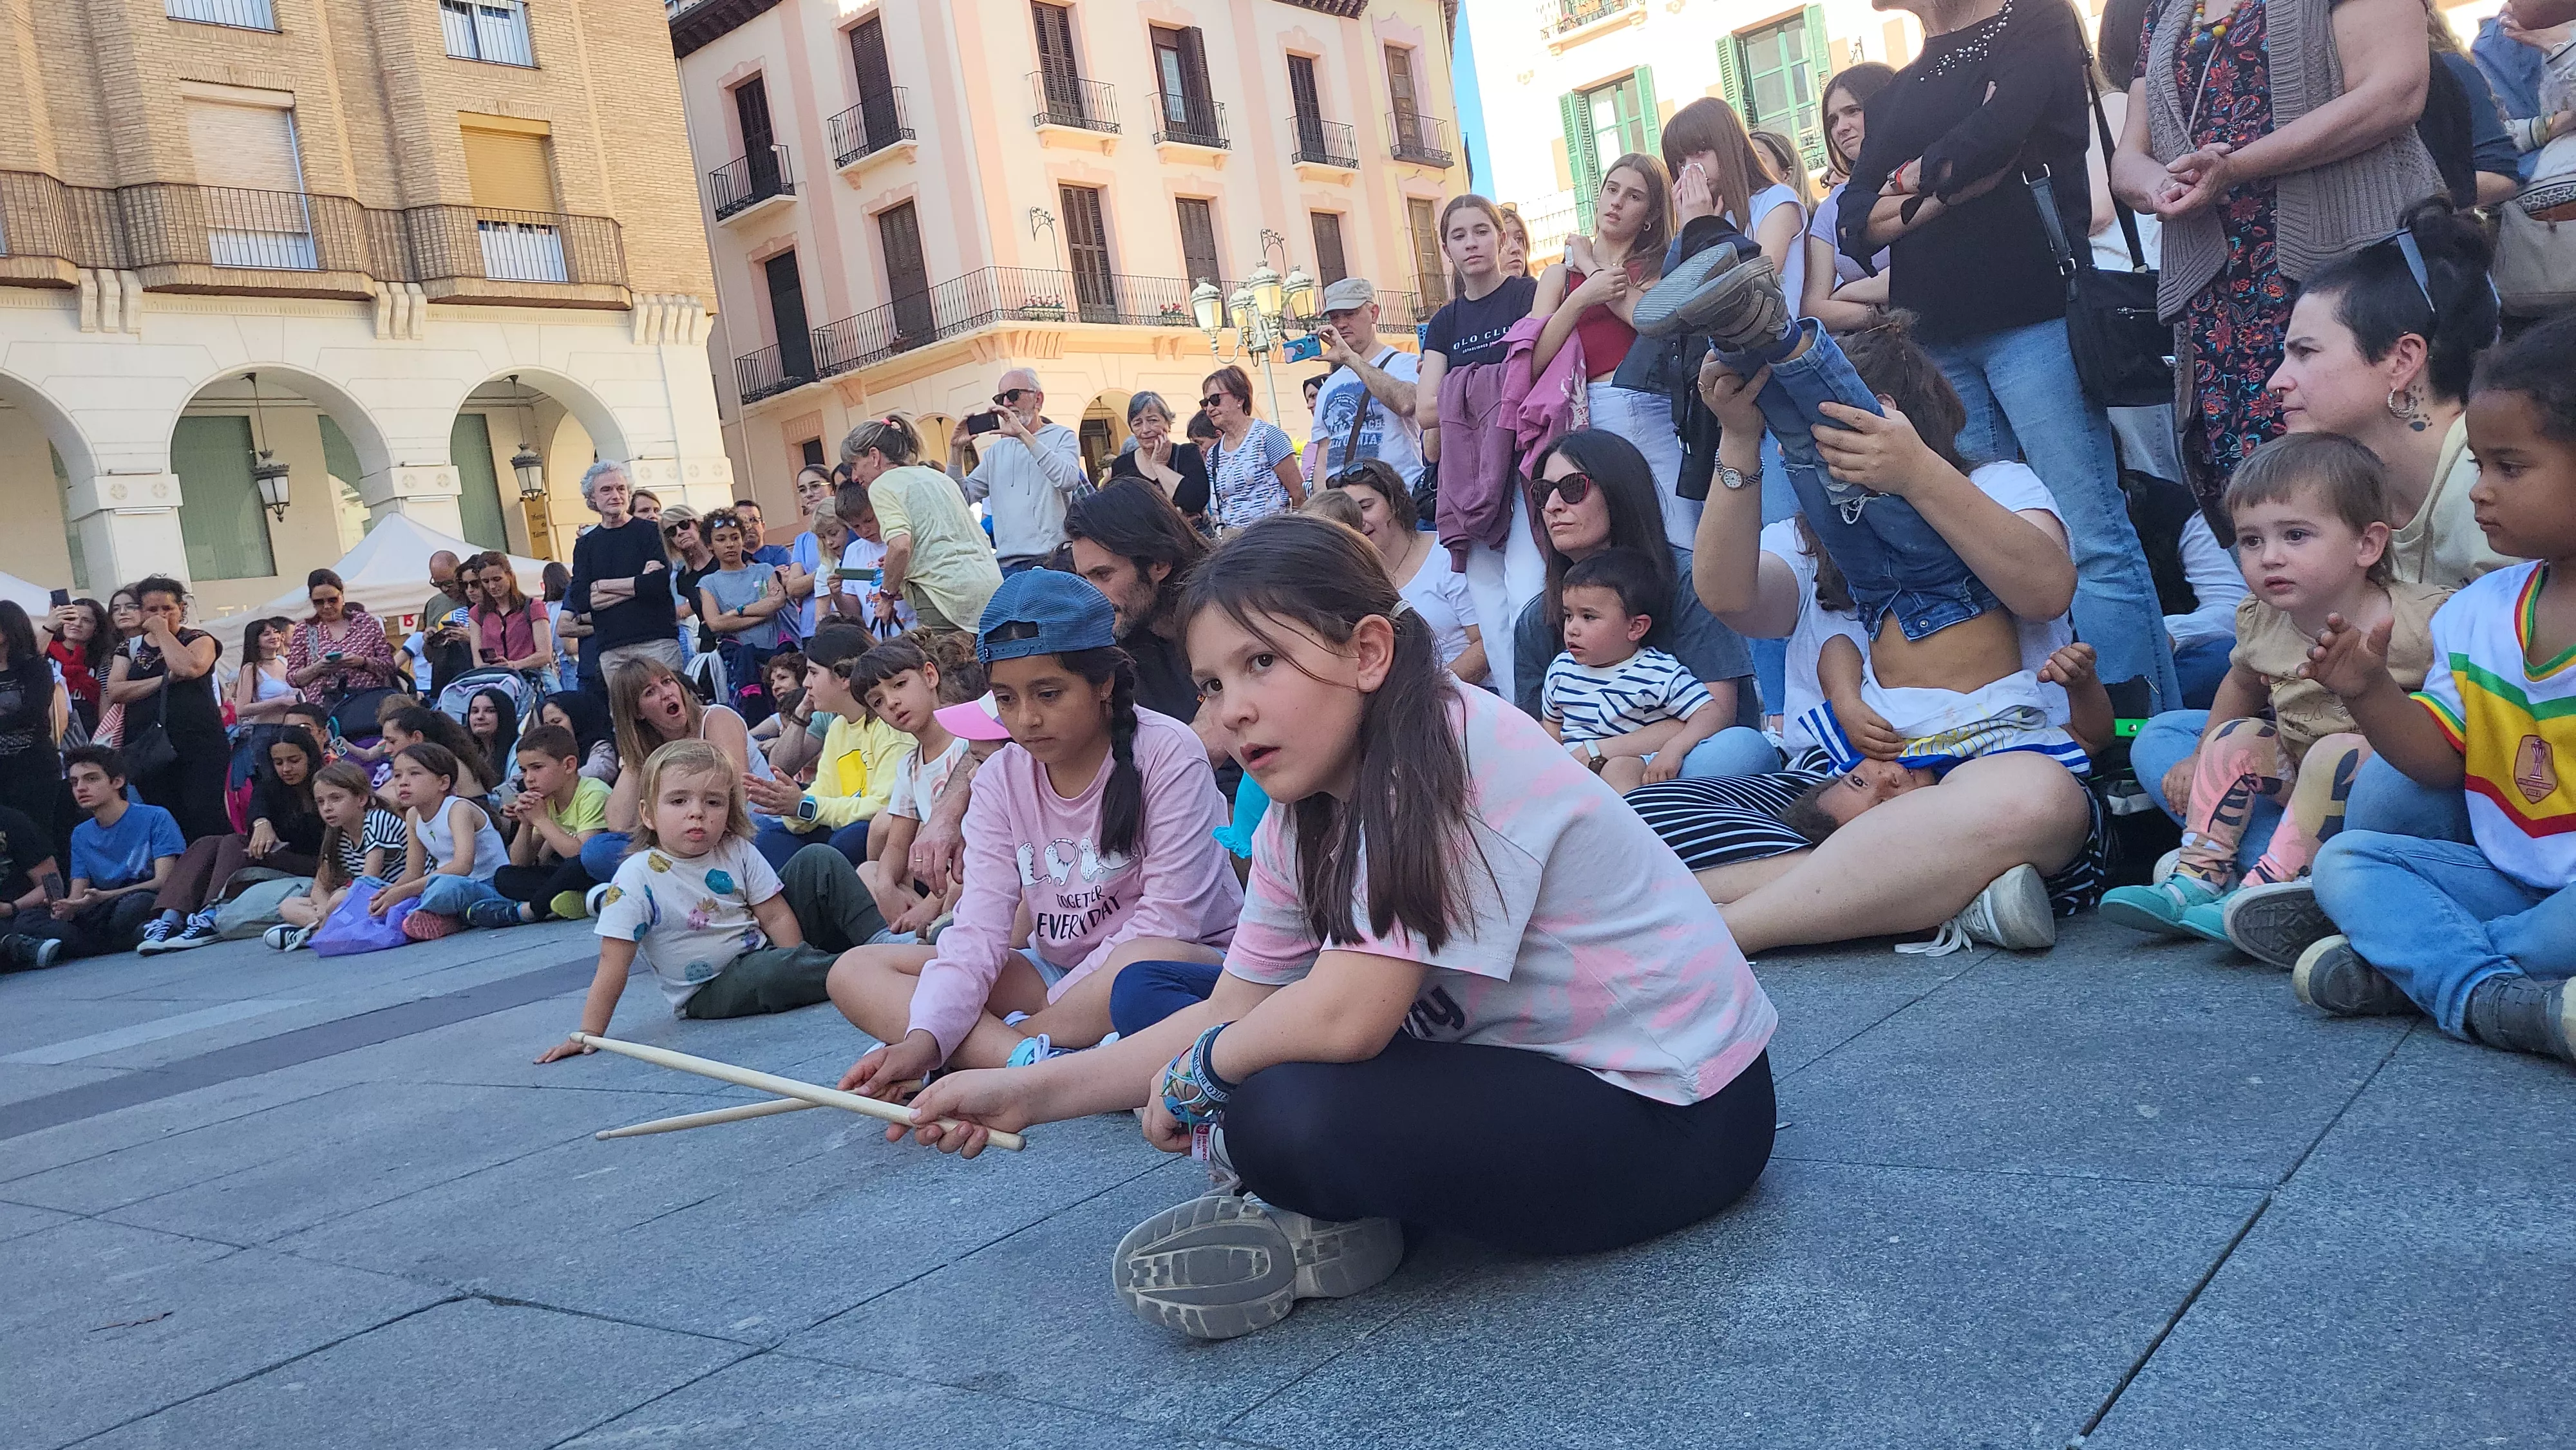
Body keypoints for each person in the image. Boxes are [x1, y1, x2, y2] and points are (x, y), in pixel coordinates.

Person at [880, 516, 1778, 1341]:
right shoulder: (1293, 807)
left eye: (1261, 664)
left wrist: (1203, 1072)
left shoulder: (1453, 753)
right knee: (1260, 1086)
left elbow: (1344, 1016)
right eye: (1211, 683)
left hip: (1685, 1113)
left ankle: (1346, 1218)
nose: (1231, 707)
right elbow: (1236, 1003)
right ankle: (1350, 1222)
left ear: (1370, 652)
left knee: (1278, 1111)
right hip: (1544, 1072)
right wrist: (1031, 1094)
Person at [1632, 317, 2105, 956]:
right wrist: (1738, 440)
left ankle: (1713, 930)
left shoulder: (1993, 486)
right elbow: (1729, 597)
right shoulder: (1800, 534)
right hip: (1834, 790)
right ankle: (1930, 891)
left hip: (1987, 774)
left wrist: (1915, 472)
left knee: (2033, 805)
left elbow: (2046, 590)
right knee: (1641, 816)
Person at [2130, 205, 2514, 850]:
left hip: (2462, 776)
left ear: (2401, 360)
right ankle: (2287, 877)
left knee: (2385, 782)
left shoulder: (2491, 485)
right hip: (2333, 762)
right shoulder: (2344, 485)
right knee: (2169, 739)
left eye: (2303, 352)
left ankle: (2291, 873)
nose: (2277, 380)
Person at [1836, 0, 2177, 715]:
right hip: (1933, 338)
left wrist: (1916, 178)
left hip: (2034, 315)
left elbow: (1990, 143)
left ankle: (2140, 743)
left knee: (2089, 537)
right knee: (1984, 545)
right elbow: (1851, 219)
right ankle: (2035, 726)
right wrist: (1938, 185)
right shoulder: (1898, 88)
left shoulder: (2039, 22)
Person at [2293, 315, 2576, 1064]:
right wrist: (2368, 689)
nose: (2479, 493)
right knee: (2346, 859)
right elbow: (2439, 762)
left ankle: (2415, 967)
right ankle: (2494, 995)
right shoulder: (2477, 613)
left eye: (2509, 468)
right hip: (2508, 876)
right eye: (2477, 466)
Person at [827, 567, 1242, 1078]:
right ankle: (1038, 1064)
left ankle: (1011, 1055)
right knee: (855, 971)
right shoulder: (1000, 778)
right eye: (1005, 699)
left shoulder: (1170, 753)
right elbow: (979, 931)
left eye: (1048, 694)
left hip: (1169, 968)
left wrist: (1039, 1017)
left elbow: (1170, 920)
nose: (1025, 719)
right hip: (1055, 975)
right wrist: (925, 1038)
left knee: (1140, 964)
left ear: (1103, 683)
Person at [2099, 433, 2452, 952]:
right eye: (2251, 541)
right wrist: (2200, 755)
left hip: (2387, 797)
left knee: (2337, 752)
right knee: (2187, 737)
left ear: (2367, 544)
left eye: (2296, 535)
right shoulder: (2262, 620)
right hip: (2297, 773)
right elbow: (2240, 683)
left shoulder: (2425, 620)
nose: (2269, 558)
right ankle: (2199, 876)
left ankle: (2270, 885)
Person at [2112, 0, 2443, 521]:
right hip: (2221, 300)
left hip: (2347, 272)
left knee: (2386, 486)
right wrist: (2163, 185)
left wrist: (2235, 167)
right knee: (2270, 501)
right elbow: (2130, 156)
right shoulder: (2167, 9)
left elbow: (2394, 92)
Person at [534, 742, 842, 1062]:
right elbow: (613, 961)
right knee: (772, 974)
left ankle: (878, 940)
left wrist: (795, 959)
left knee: (817, 859)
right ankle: (849, 969)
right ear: (648, 815)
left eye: (713, 802)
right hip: (709, 989)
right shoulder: (636, 877)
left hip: (763, 954)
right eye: (679, 801)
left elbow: (775, 916)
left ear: (729, 810)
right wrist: (589, 1032)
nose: (697, 812)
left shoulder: (735, 848)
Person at [1510, 431, 1771, 776]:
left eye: (1573, 488)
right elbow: (1539, 741)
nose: (1554, 506)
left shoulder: (1690, 581)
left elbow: (1721, 713)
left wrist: (1599, 751)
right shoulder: (1536, 620)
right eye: (1542, 494)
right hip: (1583, 780)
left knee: (1744, 750)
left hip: (1686, 761)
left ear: (1620, 492)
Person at [1418, 195, 1543, 702]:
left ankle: (1550, 711)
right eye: (1459, 235)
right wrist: (1496, 382)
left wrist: (1462, 385)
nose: (1471, 243)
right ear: (1446, 248)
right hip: (1467, 482)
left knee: (1530, 594)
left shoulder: (1526, 295)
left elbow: (1537, 372)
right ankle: (1521, 717)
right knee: (1490, 610)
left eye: (1481, 231)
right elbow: (1425, 410)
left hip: (1524, 471)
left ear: (1502, 237)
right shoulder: (1445, 322)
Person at [1531, 153, 1688, 549]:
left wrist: (1589, 261)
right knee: (1609, 547)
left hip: (1647, 408)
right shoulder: (1556, 276)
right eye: (1611, 189)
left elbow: (1646, 318)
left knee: (1680, 535)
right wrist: (1581, 297)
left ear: (1650, 215)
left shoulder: (1660, 268)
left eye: (1634, 196)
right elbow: (1533, 359)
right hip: (1581, 411)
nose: (1617, 202)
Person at [1541, 547, 1733, 792]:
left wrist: (1674, 749)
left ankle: (1633, 828)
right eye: (1569, 616)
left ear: (1635, 627)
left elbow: (1711, 713)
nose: (1572, 629)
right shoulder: (1561, 670)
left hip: (1635, 771)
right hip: (1572, 776)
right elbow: (1552, 727)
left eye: (1588, 617)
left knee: (1619, 768)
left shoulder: (1657, 672)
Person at [135, 725, 325, 952]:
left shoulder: (324, 785)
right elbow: (258, 807)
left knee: (235, 843)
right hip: (278, 857)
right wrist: (261, 822)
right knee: (208, 842)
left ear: (310, 758)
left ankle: (211, 914)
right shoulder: (271, 787)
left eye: (294, 760)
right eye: (279, 762)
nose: (286, 769)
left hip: (316, 863)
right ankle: (169, 918)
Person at [589, 655, 771, 885]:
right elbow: (619, 824)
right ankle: (689, 884)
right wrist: (634, 757)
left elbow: (737, 792)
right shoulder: (648, 748)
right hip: (687, 841)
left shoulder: (716, 718)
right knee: (597, 850)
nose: (666, 693)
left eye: (667, 682)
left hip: (743, 829)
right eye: (650, 692)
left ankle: (671, 886)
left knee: (765, 835)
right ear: (638, 713)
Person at [745, 625, 911, 869]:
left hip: (880, 835)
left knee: (848, 840)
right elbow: (822, 793)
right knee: (767, 836)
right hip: (839, 826)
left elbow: (884, 805)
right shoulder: (838, 727)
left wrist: (806, 806)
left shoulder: (889, 725)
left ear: (843, 678)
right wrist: (791, 805)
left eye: (813, 673)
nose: (806, 683)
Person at [849, 634, 978, 937]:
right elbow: (896, 843)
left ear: (930, 675)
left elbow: (979, 843)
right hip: (935, 881)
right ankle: (917, 936)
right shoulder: (909, 765)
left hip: (970, 871)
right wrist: (885, 887)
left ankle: (931, 931)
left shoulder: (970, 743)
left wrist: (931, 905)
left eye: (899, 685)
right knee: (870, 872)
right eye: (878, 701)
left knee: (968, 871)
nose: (892, 703)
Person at [840, 417, 1003, 633]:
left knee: (944, 665)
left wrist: (887, 596)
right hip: (991, 588)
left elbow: (900, 546)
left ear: (874, 456)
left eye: (854, 465)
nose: (854, 476)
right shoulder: (938, 477)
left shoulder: (881, 485)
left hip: (945, 599)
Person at [1331, 460, 1486, 684]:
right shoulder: (1356, 577)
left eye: (1366, 507)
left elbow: (1485, 643)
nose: (1359, 521)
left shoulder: (1445, 554)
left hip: (1469, 697)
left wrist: (1432, 689)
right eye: (1349, 514)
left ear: (1393, 503)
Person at [102, 576, 229, 842]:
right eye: (152, 610)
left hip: (199, 742)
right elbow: (116, 691)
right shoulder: (130, 647)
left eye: (167, 609)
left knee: (203, 812)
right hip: (148, 746)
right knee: (164, 816)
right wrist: (165, 681)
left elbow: (190, 667)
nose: (160, 615)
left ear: (181, 609)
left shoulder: (199, 638)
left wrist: (161, 632)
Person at [470, 724, 610, 928]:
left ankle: (528, 911)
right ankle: (577, 899)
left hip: (598, 871)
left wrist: (541, 820)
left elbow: (584, 856)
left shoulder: (592, 793)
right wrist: (527, 823)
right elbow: (519, 863)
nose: (529, 778)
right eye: (524, 770)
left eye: (537, 768)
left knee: (574, 866)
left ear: (569, 766)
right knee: (505, 876)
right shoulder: (547, 799)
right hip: (571, 876)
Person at [366, 742, 508, 941]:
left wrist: (403, 892)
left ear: (443, 783)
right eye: (397, 775)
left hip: (488, 886)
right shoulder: (413, 815)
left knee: (443, 888)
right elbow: (413, 873)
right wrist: (391, 892)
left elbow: (462, 866)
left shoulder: (458, 809)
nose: (403, 783)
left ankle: (447, 918)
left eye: (414, 774)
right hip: (444, 884)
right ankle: (448, 920)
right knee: (369, 888)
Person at [948, 367, 1086, 574]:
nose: (1006, 403)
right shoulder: (997, 451)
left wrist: (1023, 435)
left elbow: (1067, 480)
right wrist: (956, 450)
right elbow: (957, 500)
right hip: (1007, 566)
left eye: (1013, 395)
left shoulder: (1062, 436)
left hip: (1054, 559)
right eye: (1000, 397)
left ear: (1038, 400)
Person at [55, 745, 182, 957]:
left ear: (117, 781)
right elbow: (77, 895)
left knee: (134, 907)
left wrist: (105, 896)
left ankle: (96, 944)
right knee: (32, 920)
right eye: (74, 782)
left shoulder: (156, 817)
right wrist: (66, 907)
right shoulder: (80, 833)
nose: (81, 788)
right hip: (102, 909)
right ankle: (123, 939)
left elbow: (163, 881)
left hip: (143, 899)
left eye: (91, 779)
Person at [263, 762, 406, 950]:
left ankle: (317, 934)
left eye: (336, 798)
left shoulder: (377, 820)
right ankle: (330, 929)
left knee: (339, 898)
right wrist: (324, 909)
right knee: (288, 905)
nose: (327, 808)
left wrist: (334, 905)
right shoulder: (338, 833)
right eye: (321, 802)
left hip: (396, 895)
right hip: (367, 901)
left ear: (361, 799)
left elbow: (368, 881)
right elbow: (319, 887)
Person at [565, 461, 683, 676]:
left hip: (657, 641)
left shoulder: (652, 532)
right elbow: (581, 600)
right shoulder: (585, 545)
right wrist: (638, 584)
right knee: (625, 711)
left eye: (621, 489)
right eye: (606, 490)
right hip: (611, 647)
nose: (616, 495)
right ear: (592, 498)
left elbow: (657, 585)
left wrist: (602, 586)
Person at [1806, 63, 1899, 334]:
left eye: (1852, 111)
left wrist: (1846, 293)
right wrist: (1874, 314)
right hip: (1888, 350)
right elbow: (1814, 307)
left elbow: (1919, 271)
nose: (1840, 129)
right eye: (1832, 120)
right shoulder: (1830, 209)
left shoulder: (1917, 174)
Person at [1305, 278, 1424, 489]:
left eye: (1350, 314)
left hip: (1398, 500)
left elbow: (1406, 403)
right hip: (1345, 507)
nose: (1341, 324)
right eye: (1334, 317)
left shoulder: (1404, 363)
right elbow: (1324, 455)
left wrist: (1351, 359)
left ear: (1374, 313)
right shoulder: (1329, 386)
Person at [696, 507, 795, 723]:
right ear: (710, 545)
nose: (730, 544)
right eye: (721, 539)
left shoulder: (764, 570)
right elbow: (714, 623)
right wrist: (763, 611)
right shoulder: (709, 583)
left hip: (777, 656)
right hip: (742, 665)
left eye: (735, 537)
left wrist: (737, 612)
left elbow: (777, 601)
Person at [1201, 364, 1305, 529]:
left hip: (1273, 537)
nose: (1210, 408)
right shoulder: (1214, 453)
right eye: (1205, 403)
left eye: (1215, 399)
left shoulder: (1268, 436)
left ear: (1239, 398)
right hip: (1235, 545)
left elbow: (1299, 492)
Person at [0, 601, 62, 845]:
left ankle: (50, 882)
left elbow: (34, 713)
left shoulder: (35, 668)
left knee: (38, 834)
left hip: (33, 766)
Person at [1104, 392, 1211, 524]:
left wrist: (1159, 465)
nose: (1145, 429)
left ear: (1168, 423)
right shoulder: (1122, 465)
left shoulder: (1188, 454)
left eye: (1153, 421)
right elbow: (1119, 514)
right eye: (1138, 423)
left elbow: (1193, 502)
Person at [0, 787, 71, 970]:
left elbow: (52, 883)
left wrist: (11, 908)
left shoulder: (11, 821)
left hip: (21, 914)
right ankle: (16, 947)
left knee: (34, 925)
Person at [469, 554, 556, 681]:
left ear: (510, 575)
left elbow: (545, 655)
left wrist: (513, 665)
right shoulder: (477, 613)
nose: (492, 586)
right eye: (486, 581)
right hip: (496, 680)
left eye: (497, 579)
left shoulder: (534, 606)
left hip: (532, 677)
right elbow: (477, 661)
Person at [46, 598, 111, 735]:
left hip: (91, 733)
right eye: (71, 618)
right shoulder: (46, 652)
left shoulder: (103, 658)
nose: (77, 624)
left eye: (86, 620)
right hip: (51, 731)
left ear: (97, 628)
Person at [416, 552, 475, 698]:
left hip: (479, 677)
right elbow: (430, 657)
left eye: (449, 583)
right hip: (447, 683)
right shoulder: (435, 604)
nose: (444, 589)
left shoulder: (478, 596)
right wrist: (430, 640)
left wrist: (470, 638)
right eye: (437, 584)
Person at [536, 690, 618, 784]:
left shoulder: (601, 746)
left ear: (577, 718)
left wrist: (552, 782)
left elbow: (600, 771)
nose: (552, 729)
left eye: (556, 721)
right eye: (547, 726)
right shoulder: (550, 751)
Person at [231, 617, 298, 726]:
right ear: (255, 640)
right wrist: (280, 701)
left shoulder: (284, 661)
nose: (274, 637)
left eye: (276, 632)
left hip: (294, 726)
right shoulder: (251, 669)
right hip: (268, 729)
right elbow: (241, 709)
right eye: (267, 634)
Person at [463, 686, 521, 796]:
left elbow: (513, 796)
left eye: (490, 711)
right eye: (474, 711)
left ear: (504, 715)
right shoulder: (465, 752)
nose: (480, 717)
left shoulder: (520, 749)